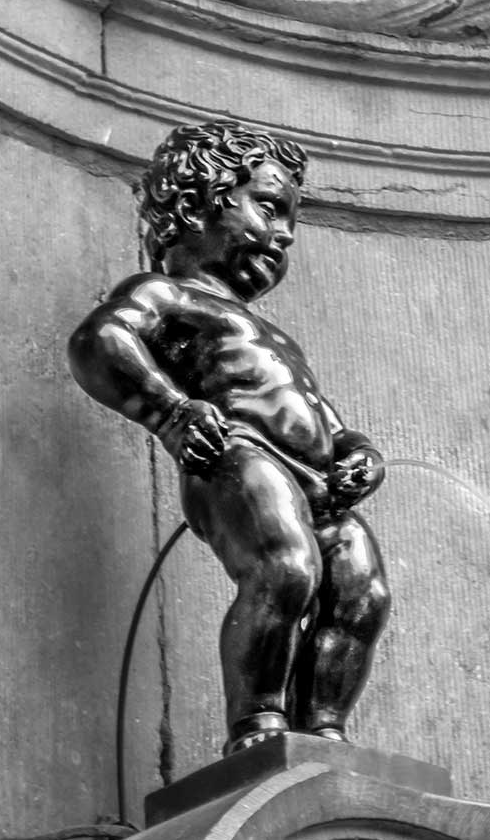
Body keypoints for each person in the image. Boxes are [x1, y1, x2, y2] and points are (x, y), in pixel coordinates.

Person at [68, 121, 390, 755]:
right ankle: (259, 724)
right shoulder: (166, 295)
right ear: (195, 205)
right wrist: (172, 414)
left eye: (290, 218)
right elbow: (100, 340)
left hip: (319, 484)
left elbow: (322, 417)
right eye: (268, 207)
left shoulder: (275, 336)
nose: (285, 233)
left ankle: (325, 731)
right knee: (286, 570)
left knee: (361, 594)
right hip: (235, 455)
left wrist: (360, 454)